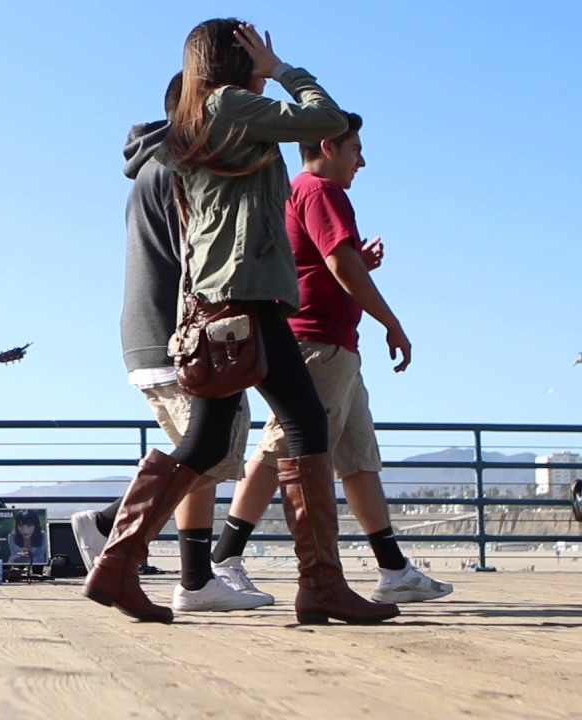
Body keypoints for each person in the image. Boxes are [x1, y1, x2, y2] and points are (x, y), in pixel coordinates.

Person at [84, 18, 399, 625]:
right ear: (233, 59)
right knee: (303, 422)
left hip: (224, 301)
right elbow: (329, 122)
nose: (262, 54)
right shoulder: (232, 105)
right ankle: (320, 585)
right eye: (249, 47)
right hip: (244, 301)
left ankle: (118, 565)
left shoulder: (207, 117)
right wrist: (281, 70)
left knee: (212, 437)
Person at [211, 113, 454, 604]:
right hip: (316, 345)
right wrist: (392, 322)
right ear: (328, 146)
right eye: (355, 150)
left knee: (359, 460)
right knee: (282, 447)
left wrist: (359, 262)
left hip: (336, 346)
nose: (361, 161)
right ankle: (226, 556)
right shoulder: (320, 191)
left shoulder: (297, 191)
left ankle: (392, 569)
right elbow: (339, 264)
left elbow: (325, 261)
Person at [70, 71, 270, 613]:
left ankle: (195, 577)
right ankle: (120, 531)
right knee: (203, 452)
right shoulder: (184, 170)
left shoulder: (151, 168)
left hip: (147, 334)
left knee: (204, 454)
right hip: (178, 336)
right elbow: (204, 258)